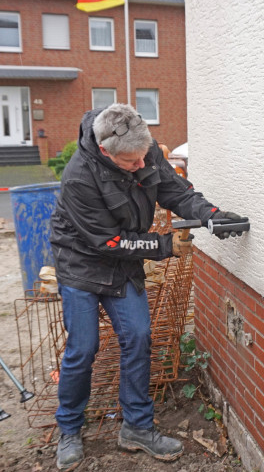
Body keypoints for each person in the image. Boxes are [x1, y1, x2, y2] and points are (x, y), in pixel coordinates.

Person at [50, 103, 245, 469]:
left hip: (122, 264)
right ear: (106, 152)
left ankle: (136, 428)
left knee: (138, 337)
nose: (141, 166)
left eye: (145, 157)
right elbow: (105, 243)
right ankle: (70, 429)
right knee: (83, 347)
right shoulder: (80, 176)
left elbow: (175, 190)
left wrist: (210, 215)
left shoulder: (141, 149)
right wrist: (163, 245)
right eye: (131, 163)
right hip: (81, 263)